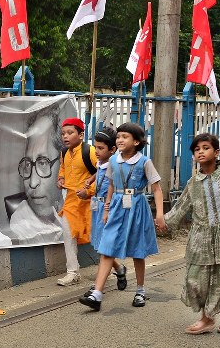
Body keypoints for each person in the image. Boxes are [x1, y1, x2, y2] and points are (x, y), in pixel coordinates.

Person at [157, 133, 220, 335]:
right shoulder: (194, 183)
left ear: (216, 152)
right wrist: (163, 222)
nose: (200, 151)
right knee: (197, 278)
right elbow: (181, 207)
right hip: (200, 239)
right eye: (197, 149)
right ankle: (207, 319)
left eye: (205, 148)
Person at [79, 122, 163, 311]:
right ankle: (97, 294)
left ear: (136, 142)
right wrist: (106, 209)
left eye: (125, 137)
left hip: (137, 206)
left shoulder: (144, 162)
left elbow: (157, 189)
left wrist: (159, 214)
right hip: (116, 205)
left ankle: (140, 290)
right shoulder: (114, 161)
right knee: (107, 247)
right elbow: (110, 185)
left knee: (137, 250)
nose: (120, 139)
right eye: (119, 136)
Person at [6, 108, 65, 245]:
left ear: (62, 161)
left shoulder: (76, 197)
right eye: (27, 165)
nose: (32, 183)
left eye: (43, 163)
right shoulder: (22, 219)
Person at [84, 127, 127, 291]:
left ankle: (98, 286)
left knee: (105, 247)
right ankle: (119, 268)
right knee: (100, 245)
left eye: (101, 148)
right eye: (96, 147)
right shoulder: (101, 162)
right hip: (97, 207)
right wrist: (91, 178)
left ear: (112, 150)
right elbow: (99, 170)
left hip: (107, 210)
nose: (97, 151)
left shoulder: (116, 166)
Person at [55, 117, 96, 286]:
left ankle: (116, 267)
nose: (65, 136)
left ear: (81, 135)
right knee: (67, 233)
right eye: (63, 133)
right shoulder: (64, 152)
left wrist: (88, 191)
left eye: (70, 132)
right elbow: (63, 169)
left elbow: (104, 173)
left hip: (91, 203)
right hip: (71, 201)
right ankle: (73, 272)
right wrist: (61, 179)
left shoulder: (90, 152)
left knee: (97, 238)